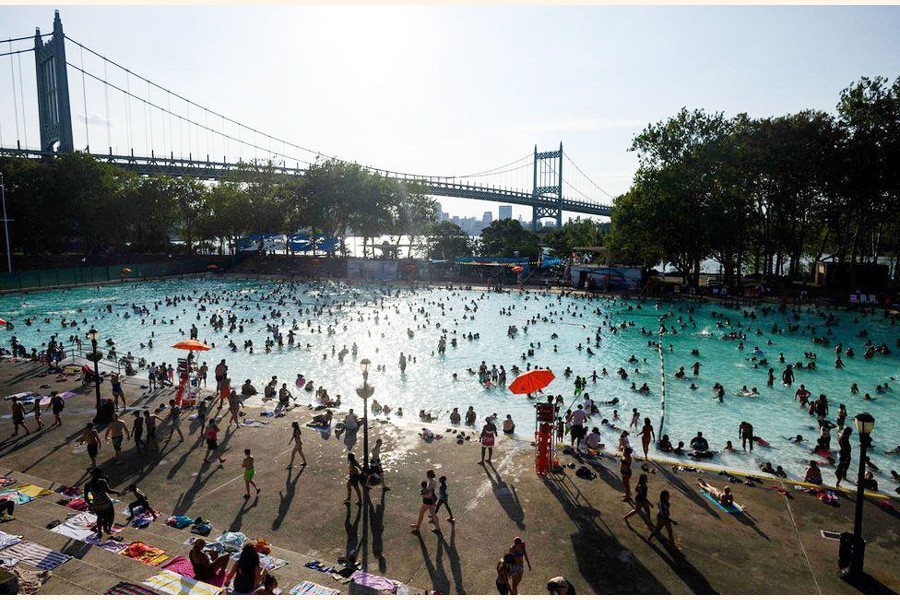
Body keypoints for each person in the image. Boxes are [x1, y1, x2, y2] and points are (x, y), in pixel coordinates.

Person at [84, 468, 119, 536]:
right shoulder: (102, 482)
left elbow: (86, 497)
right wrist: (116, 491)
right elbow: (109, 491)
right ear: (99, 474)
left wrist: (90, 504)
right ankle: (108, 529)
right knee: (110, 516)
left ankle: (100, 532)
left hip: (97, 505)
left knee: (100, 518)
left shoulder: (87, 485)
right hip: (106, 502)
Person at [411, 469, 440, 534]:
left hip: (427, 501)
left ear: (428, 476)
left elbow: (428, 493)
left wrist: (423, 492)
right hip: (432, 500)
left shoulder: (430, 483)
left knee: (421, 512)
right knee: (433, 514)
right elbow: (430, 491)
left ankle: (417, 527)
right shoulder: (433, 482)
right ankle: (438, 528)